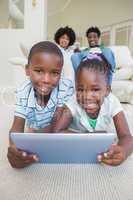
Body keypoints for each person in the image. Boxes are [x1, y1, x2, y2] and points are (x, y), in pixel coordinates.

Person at [52, 54, 133, 166]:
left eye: (95, 89)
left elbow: (126, 136)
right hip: (75, 142)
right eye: (80, 89)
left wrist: (123, 151)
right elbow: (57, 131)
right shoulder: (73, 102)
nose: (87, 96)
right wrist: (90, 137)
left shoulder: (112, 101)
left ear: (107, 90)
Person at [7, 41, 74, 168]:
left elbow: (57, 124)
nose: (46, 80)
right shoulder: (23, 91)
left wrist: (35, 138)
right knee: (31, 133)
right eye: (39, 71)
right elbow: (17, 127)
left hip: (57, 126)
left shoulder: (65, 87)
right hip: (36, 126)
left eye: (55, 73)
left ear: (61, 73)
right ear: (27, 70)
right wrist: (14, 147)